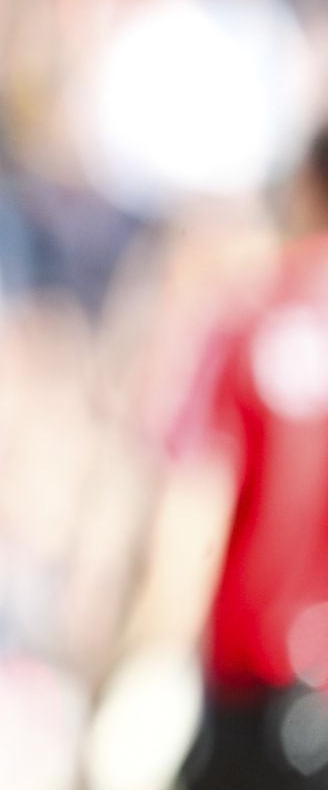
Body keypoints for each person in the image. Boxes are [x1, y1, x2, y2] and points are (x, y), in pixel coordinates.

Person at [121, 124, 328, 789]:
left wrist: (142, 671)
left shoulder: (248, 318)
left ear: (305, 187)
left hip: (258, 710)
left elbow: (189, 526)